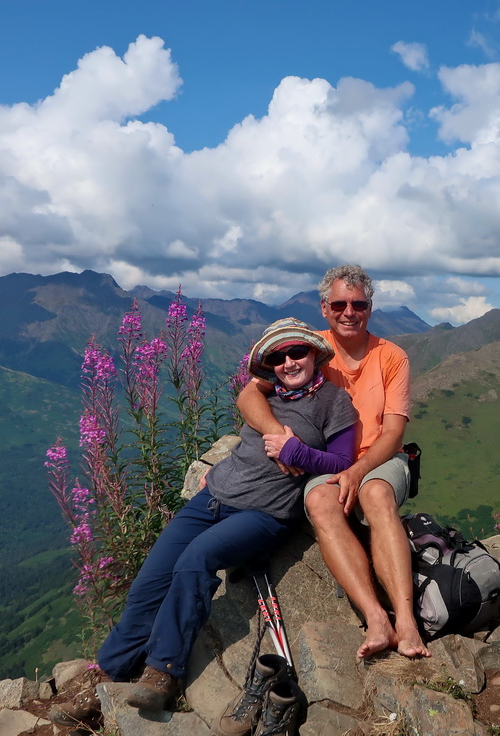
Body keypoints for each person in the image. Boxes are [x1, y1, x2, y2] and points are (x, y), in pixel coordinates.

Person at [51, 317, 357, 725]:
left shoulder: (335, 403)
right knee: (151, 580)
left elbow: (342, 462)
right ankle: (104, 683)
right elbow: (247, 398)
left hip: (263, 515)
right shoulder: (266, 392)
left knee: (197, 559)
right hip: (212, 499)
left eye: (297, 352)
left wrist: (295, 452)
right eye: (278, 356)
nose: (289, 361)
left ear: (314, 354)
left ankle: (163, 674)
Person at [238, 264, 430, 660]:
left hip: (380, 460)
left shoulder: (392, 357)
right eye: (339, 304)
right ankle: (376, 618)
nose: (349, 312)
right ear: (324, 308)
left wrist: (357, 471)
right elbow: (248, 396)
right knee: (320, 503)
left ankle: (407, 620)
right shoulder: (307, 348)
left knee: (376, 496)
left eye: (358, 304)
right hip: (325, 461)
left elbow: (393, 433)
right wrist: (281, 434)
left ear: (369, 308)